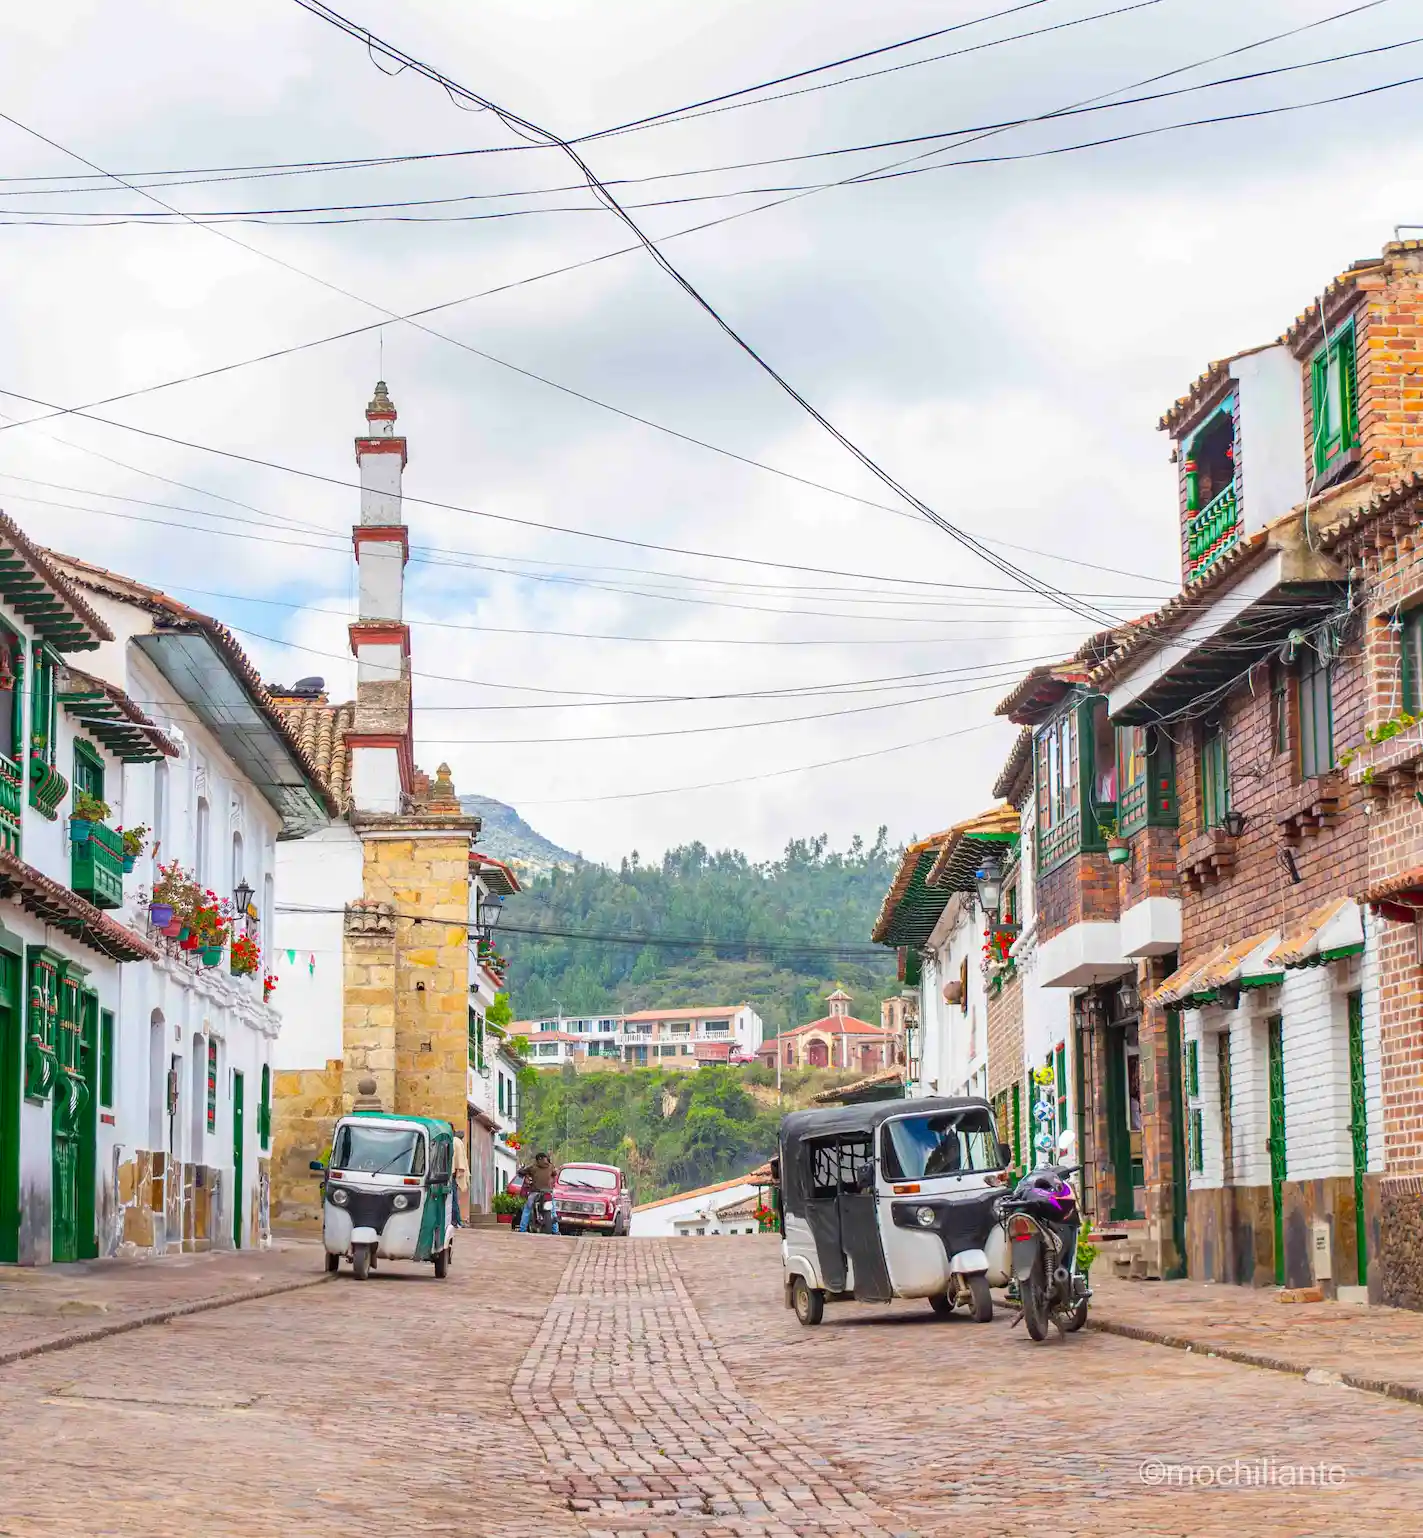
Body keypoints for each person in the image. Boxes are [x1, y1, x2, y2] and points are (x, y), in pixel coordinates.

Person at [517, 1151, 560, 1234]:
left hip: (535, 1192)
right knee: (553, 1211)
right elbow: (555, 1173)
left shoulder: (533, 1167)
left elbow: (521, 1172)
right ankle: (556, 1231)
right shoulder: (550, 1166)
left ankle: (522, 1229)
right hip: (548, 1192)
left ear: (536, 1159)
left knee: (527, 1210)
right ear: (546, 1158)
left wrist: (522, 1170)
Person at [451, 1131, 470, 1228]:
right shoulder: (457, 1142)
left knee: (452, 1199)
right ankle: (456, 1221)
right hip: (452, 1174)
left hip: (450, 1174)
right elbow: (460, 1160)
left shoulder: (453, 1141)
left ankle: (456, 1221)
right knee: (453, 1199)